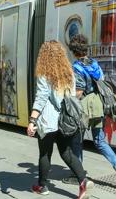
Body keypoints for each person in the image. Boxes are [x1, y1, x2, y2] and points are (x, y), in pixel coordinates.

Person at [27, 41, 93, 198]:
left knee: (45, 153)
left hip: (49, 121)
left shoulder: (45, 73)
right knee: (67, 152)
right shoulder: (69, 72)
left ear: (44, 56)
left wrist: (32, 120)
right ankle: (83, 180)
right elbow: (71, 96)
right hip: (66, 121)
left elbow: (42, 97)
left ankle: (42, 187)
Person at [66, 34, 116, 189]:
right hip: (98, 106)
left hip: (86, 107)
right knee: (100, 141)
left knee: (76, 140)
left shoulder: (77, 67)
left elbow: (79, 91)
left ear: (74, 51)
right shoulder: (94, 63)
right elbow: (100, 80)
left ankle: (78, 175)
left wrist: (68, 98)